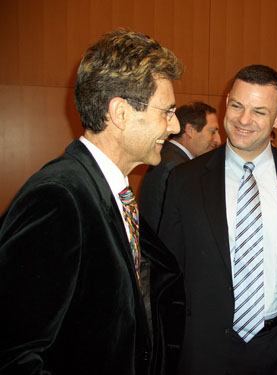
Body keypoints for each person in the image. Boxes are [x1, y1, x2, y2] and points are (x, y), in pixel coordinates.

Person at [0, 29, 183, 375]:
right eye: (167, 111)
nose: (174, 126)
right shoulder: (58, 198)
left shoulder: (109, 191)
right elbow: (14, 355)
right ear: (121, 113)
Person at [158, 65, 277, 374]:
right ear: (226, 100)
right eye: (237, 106)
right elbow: (167, 269)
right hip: (207, 351)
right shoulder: (184, 179)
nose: (244, 120)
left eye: (259, 111)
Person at [140, 101, 221, 232]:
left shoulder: (167, 156)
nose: (218, 140)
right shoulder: (176, 167)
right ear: (190, 130)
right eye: (213, 132)